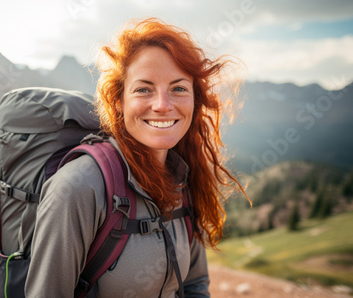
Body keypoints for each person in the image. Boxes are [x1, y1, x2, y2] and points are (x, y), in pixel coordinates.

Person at [25, 17, 248, 297]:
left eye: (178, 88)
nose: (162, 105)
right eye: (144, 89)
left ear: (194, 99)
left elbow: (194, 284)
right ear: (119, 101)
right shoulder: (78, 187)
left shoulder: (181, 180)